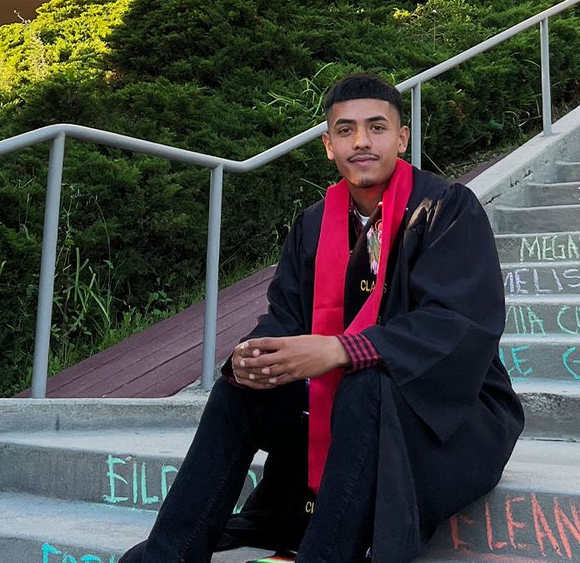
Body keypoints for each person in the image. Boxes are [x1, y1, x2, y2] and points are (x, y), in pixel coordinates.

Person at [118, 72, 524, 563]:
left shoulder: (446, 209)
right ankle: (168, 555)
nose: (362, 141)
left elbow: (458, 325)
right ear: (328, 145)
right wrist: (254, 356)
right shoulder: (313, 222)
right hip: (340, 412)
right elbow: (285, 316)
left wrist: (341, 350)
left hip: (451, 419)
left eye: (376, 127)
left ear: (402, 137)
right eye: (346, 130)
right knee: (239, 388)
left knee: (368, 381)